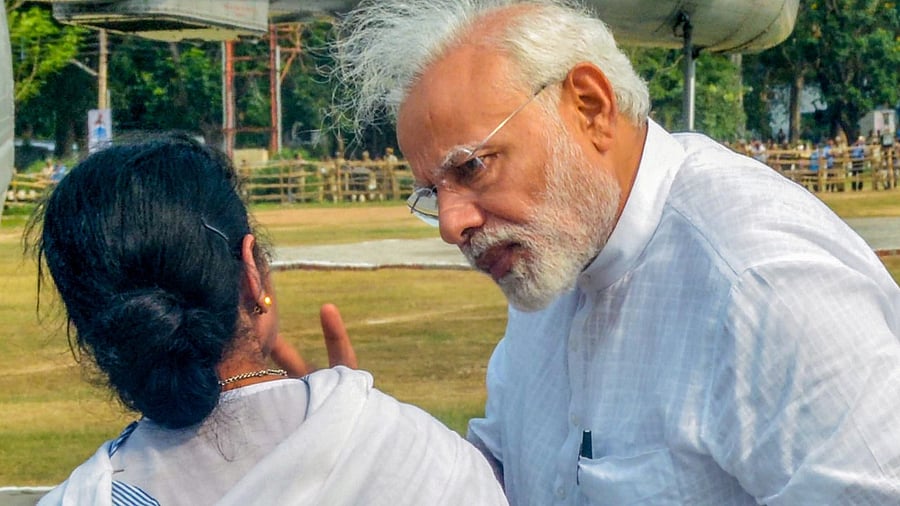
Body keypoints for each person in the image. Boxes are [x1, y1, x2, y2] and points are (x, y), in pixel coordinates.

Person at [334, 1, 900, 504]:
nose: (452, 224)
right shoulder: (558, 254)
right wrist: (370, 445)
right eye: (434, 192)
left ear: (589, 107)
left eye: (472, 166)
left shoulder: (761, 283)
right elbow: (503, 479)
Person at [28, 134, 507, 505]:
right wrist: (350, 430)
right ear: (251, 273)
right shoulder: (420, 456)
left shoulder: (83, 496)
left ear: (90, 329)